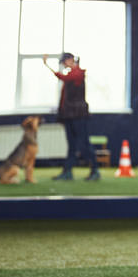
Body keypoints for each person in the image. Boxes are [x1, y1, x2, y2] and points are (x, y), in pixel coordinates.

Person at [43, 52, 100, 181]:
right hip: (68, 115)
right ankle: (67, 172)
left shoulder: (78, 73)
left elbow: (63, 78)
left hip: (78, 115)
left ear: (70, 60)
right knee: (72, 144)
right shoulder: (71, 74)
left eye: (64, 62)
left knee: (84, 143)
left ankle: (95, 170)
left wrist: (47, 66)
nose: (64, 65)